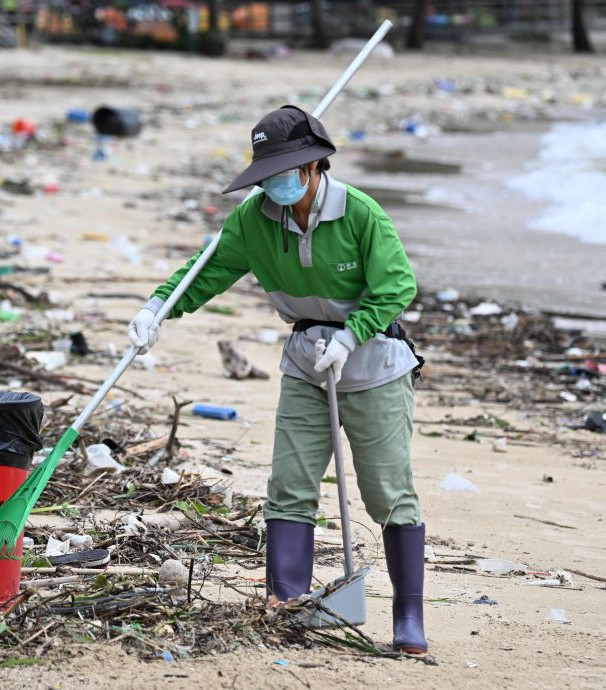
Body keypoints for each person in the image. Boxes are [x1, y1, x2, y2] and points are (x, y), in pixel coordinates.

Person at [127, 105, 427, 654]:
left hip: (373, 362)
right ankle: (286, 600)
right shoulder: (251, 219)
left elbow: (396, 288)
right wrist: (158, 308)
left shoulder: (360, 214)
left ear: (314, 168)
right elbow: (208, 271)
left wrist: (351, 334)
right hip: (306, 362)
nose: (276, 185)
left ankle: (408, 619)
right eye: (268, 176)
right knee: (290, 484)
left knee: (386, 491)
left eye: (286, 173)